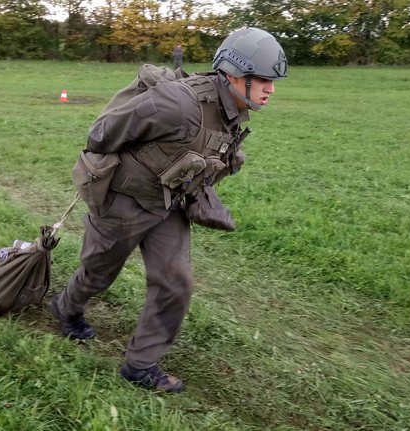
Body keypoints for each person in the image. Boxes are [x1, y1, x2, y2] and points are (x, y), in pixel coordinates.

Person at [49, 28, 288, 393]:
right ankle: (67, 306)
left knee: (176, 282)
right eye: (265, 81)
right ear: (235, 74)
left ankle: (140, 365)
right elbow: (102, 132)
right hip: (125, 200)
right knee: (98, 272)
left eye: (272, 82)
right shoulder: (179, 103)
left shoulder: (232, 110)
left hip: (170, 202)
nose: (271, 89)